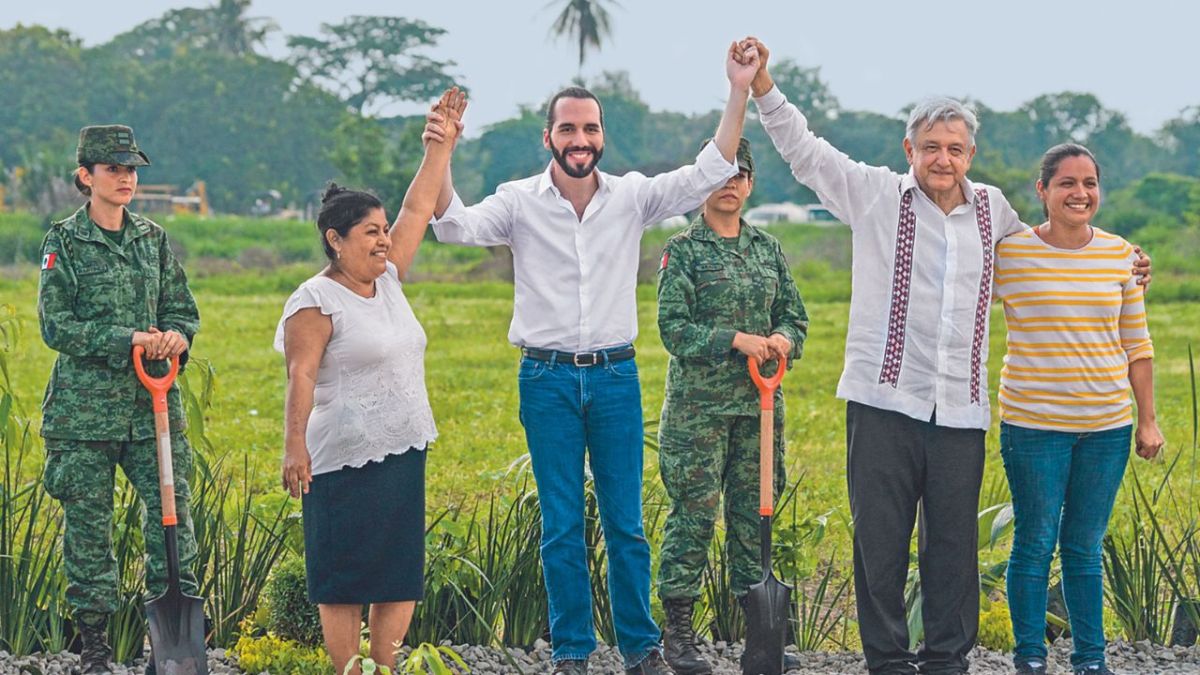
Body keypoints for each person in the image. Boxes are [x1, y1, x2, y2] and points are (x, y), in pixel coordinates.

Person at [739, 38, 1150, 675]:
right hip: (882, 401)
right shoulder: (874, 195)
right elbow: (803, 150)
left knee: (953, 547)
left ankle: (947, 660)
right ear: (910, 151)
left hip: (960, 408)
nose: (943, 158)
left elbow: (1055, 245)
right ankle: (888, 661)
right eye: (931, 146)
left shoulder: (994, 210)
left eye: (955, 148)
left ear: (970, 155)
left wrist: (1124, 260)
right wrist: (763, 85)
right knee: (880, 542)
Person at [421, 43, 759, 675]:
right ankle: (572, 651)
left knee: (627, 525)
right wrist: (443, 148)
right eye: (569, 128)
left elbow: (711, 167)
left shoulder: (631, 197)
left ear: (602, 136)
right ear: (548, 136)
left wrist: (738, 89)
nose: (581, 138)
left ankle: (639, 647)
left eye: (591, 128)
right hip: (545, 378)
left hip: (614, 378)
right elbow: (453, 225)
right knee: (562, 526)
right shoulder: (519, 200)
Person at [275, 89, 466, 675]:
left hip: (404, 444)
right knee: (343, 573)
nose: (384, 240)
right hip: (340, 457)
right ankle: (347, 669)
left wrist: (440, 143)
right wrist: (294, 445)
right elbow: (300, 374)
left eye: (383, 231)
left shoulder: (387, 280)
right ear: (336, 239)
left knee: (398, 567)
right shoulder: (315, 300)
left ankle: (384, 664)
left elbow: (417, 209)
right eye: (369, 233)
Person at [995, 144, 1164, 675]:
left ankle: (1091, 660)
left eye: (1089, 182)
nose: (1080, 193)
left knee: (1085, 547)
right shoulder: (1011, 254)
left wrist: (1149, 419)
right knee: (1035, 542)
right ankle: (1030, 657)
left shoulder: (1120, 256)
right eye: (1066, 183)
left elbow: (1137, 344)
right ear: (1042, 191)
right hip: (1032, 425)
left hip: (1106, 428)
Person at [38, 124, 200, 674]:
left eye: (131, 169)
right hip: (83, 418)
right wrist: (124, 339)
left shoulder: (152, 238)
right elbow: (56, 327)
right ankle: (96, 649)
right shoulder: (63, 242)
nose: (126, 177)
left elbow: (182, 309)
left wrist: (177, 335)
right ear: (86, 177)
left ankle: (170, 649)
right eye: (113, 169)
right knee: (88, 533)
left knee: (174, 523)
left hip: (151, 412)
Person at [654, 137, 808, 675]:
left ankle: (759, 640)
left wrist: (784, 339)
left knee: (753, 520)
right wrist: (734, 339)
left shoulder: (767, 249)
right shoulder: (684, 251)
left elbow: (795, 315)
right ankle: (678, 633)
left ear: (751, 183)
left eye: (741, 174)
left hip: (758, 411)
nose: (732, 183)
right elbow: (673, 331)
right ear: (702, 182)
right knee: (693, 519)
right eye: (721, 174)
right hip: (699, 414)